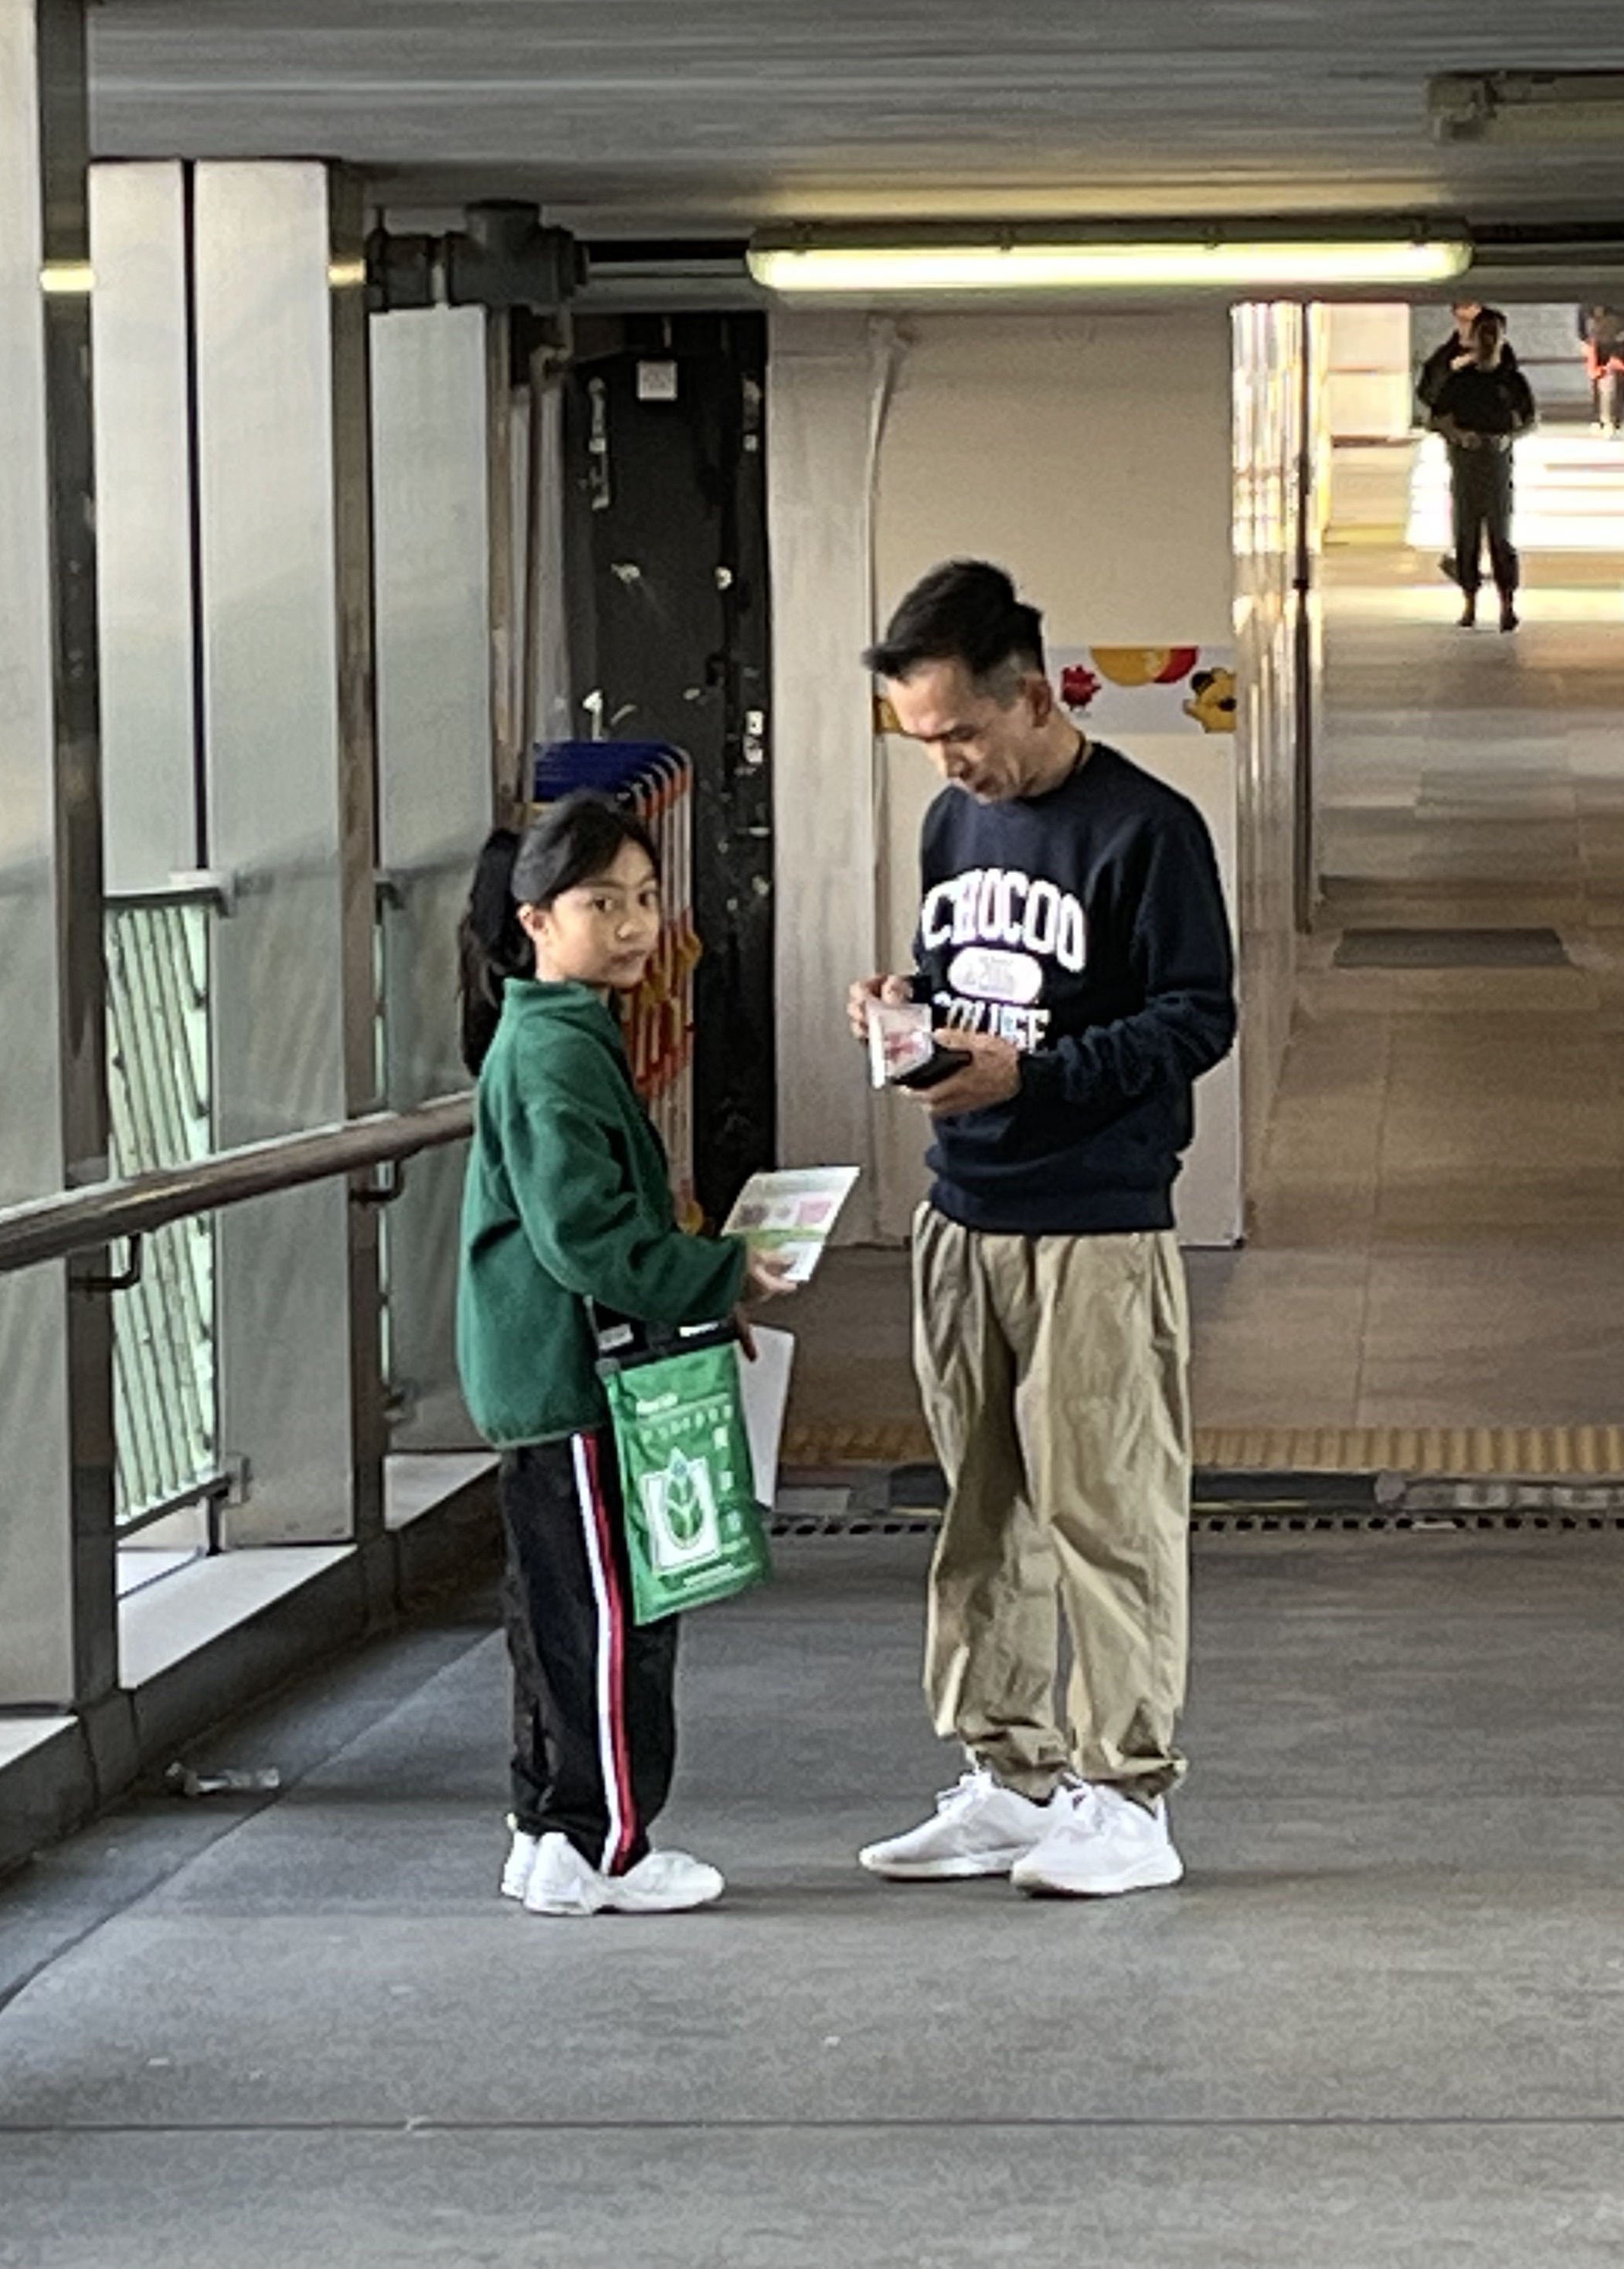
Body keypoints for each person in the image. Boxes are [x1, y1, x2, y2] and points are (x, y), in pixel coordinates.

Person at [843, 559, 1237, 1900]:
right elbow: (967, 978)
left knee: (1108, 1511)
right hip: (963, 1210)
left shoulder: (1147, 828)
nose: (947, 763)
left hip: (1096, 1223)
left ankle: (1126, 1794)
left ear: (1032, 695)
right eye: (921, 740)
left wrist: (1039, 1074)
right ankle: (1006, 1777)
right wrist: (903, 1006)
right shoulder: (952, 825)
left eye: (960, 731)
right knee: (977, 1512)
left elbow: (1196, 1016)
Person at [457, 793, 791, 1917]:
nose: (638, 925)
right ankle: (601, 1845)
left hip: (547, 1377)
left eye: (646, 898)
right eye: (603, 903)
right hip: (576, 1381)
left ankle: (546, 1829)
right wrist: (719, 1273)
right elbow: (586, 1238)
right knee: (609, 1624)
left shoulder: (552, 1033)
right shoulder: (556, 1053)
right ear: (537, 919)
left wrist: (697, 1293)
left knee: (555, 1620)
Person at [1425, 311, 1536, 633]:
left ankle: (1507, 603)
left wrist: (1508, 438)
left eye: (1493, 333)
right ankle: (1469, 601)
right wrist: (1460, 436)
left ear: (1502, 338)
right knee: (1467, 535)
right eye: (1483, 333)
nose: (1488, 340)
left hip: (1497, 466)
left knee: (1501, 537)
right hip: (1466, 466)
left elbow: (1530, 420)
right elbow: (1436, 419)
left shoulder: (1512, 381)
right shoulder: (1461, 381)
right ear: (1473, 338)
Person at [1576, 302, 1624, 433]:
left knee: (1620, 379)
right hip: (1599, 337)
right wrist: (1583, 338)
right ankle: (1598, 417)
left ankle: (1616, 419)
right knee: (1597, 378)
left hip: (1623, 338)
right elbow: (1582, 311)